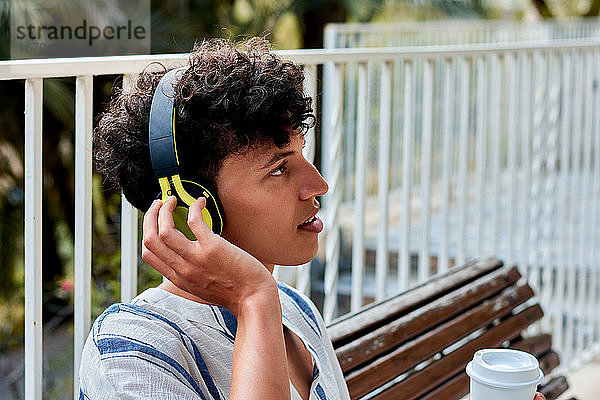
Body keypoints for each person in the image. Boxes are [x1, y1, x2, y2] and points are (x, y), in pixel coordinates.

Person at [79, 37, 547, 400]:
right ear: (190, 205)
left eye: (302, 156)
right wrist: (254, 299)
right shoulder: (132, 349)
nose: (318, 185)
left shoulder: (297, 313)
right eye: (279, 168)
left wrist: (261, 299)